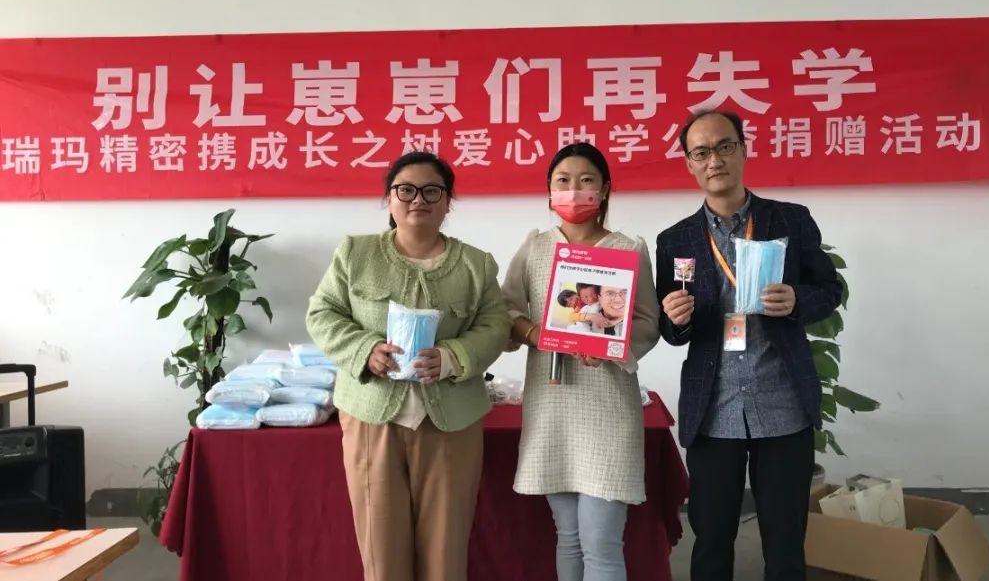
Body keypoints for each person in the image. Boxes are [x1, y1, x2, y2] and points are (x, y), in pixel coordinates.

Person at [655, 110, 841, 581]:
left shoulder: (790, 220)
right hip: (713, 409)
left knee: (785, 542)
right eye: (701, 152)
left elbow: (829, 289)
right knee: (711, 539)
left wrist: (797, 299)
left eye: (724, 146)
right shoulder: (674, 240)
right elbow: (671, 330)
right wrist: (674, 319)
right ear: (689, 164)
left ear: (742, 150)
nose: (714, 160)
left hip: (783, 403)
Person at [306, 151, 509, 581]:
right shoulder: (355, 253)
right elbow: (322, 314)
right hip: (372, 418)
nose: (418, 199)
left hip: (451, 421)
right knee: (381, 547)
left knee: (445, 547)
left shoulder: (476, 264)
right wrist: (364, 349)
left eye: (432, 191)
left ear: (448, 201)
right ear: (389, 199)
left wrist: (452, 357)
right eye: (406, 190)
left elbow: (496, 326)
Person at [502, 142, 660, 581]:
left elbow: (648, 322)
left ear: (605, 189)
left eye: (586, 180)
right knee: (568, 538)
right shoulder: (535, 247)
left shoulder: (628, 247)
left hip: (608, 409)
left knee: (602, 546)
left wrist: (611, 345)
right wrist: (535, 333)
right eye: (563, 181)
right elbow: (505, 310)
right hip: (551, 408)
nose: (574, 191)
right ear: (550, 191)